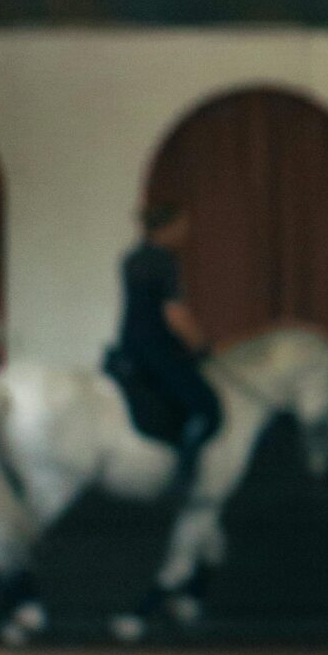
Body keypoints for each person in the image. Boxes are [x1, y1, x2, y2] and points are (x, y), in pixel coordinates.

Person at [113, 203, 221, 500]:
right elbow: (175, 314)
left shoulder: (132, 258)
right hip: (156, 349)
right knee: (207, 407)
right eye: (181, 227)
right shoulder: (164, 261)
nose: (185, 233)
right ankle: (185, 473)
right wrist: (201, 345)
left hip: (129, 347)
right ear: (169, 227)